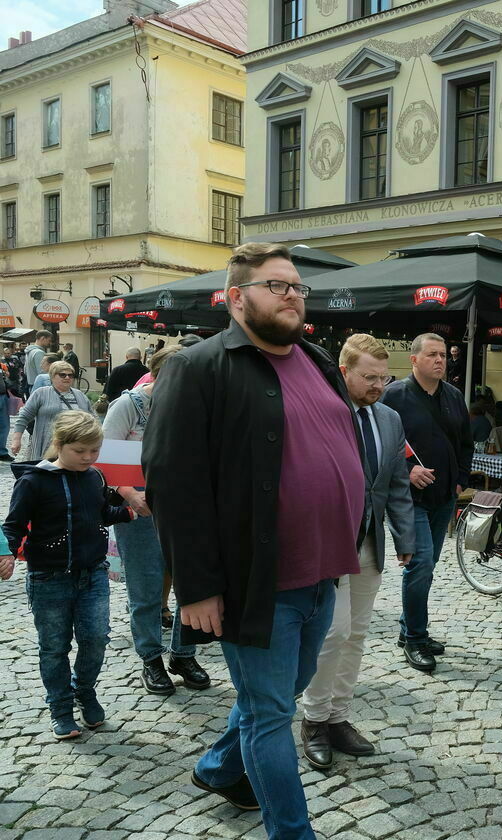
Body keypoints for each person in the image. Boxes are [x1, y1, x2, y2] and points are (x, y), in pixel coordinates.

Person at [143, 242, 368, 839]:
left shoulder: (317, 359)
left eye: (297, 286)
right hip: (255, 582)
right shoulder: (198, 367)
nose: (293, 294)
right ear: (237, 298)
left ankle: (218, 765)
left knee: (276, 694)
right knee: (271, 714)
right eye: (278, 285)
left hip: (322, 574)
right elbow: (173, 484)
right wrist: (196, 589)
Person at [300, 333, 415, 770]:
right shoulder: (325, 414)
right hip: (329, 541)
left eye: (384, 378)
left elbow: (396, 484)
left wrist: (407, 540)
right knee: (333, 631)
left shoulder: (388, 417)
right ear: (344, 371)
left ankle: (338, 717)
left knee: (358, 633)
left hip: (370, 540)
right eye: (369, 377)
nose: (378, 385)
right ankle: (313, 719)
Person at [4, 411, 134, 739]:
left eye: (94, 451)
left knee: (95, 639)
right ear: (59, 444)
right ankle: (60, 707)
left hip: (93, 575)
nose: (89, 458)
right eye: (80, 451)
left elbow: (103, 514)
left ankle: (84, 691)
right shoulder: (33, 481)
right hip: (49, 579)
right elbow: (13, 525)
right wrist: (5, 553)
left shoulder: (94, 477)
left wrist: (132, 510)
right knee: (54, 647)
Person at [104, 346, 211, 697]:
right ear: (160, 376)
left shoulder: (193, 406)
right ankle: (151, 658)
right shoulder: (129, 406)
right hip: (139, 511)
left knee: (191, 583)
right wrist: (129, 494)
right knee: (147, 587)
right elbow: (101, 459)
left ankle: (183, 654)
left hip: (185, 510)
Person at [382, 333, 472, 673]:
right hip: (409, 500)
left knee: (428, 567)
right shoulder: (394, 396)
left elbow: (465, 442)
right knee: (419, 566)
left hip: (444, 496)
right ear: (414, 360)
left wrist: (461, 477)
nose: (440, 361)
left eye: (444, 355)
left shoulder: (452, 396)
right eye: (432, 355)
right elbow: (379, 444)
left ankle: (410, 629)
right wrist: (407, 470)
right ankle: (416, 639)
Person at [11, 361, 92, 460]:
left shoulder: (80, 395)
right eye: (62, 375)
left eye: (70, 375)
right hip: (47, 446)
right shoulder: (41, 393)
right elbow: (24, 417)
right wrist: (16, 440)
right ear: (52, 376)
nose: (67, 378)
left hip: (75, 447)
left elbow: (92, 419)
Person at [24, 330, 51, 395]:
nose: (49, 343)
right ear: (43, 338)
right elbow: (43, 372)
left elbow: (25, 371)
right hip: (39, 387)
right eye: (49, 340)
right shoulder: (39, 352)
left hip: (31, 385)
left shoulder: (30, 351)